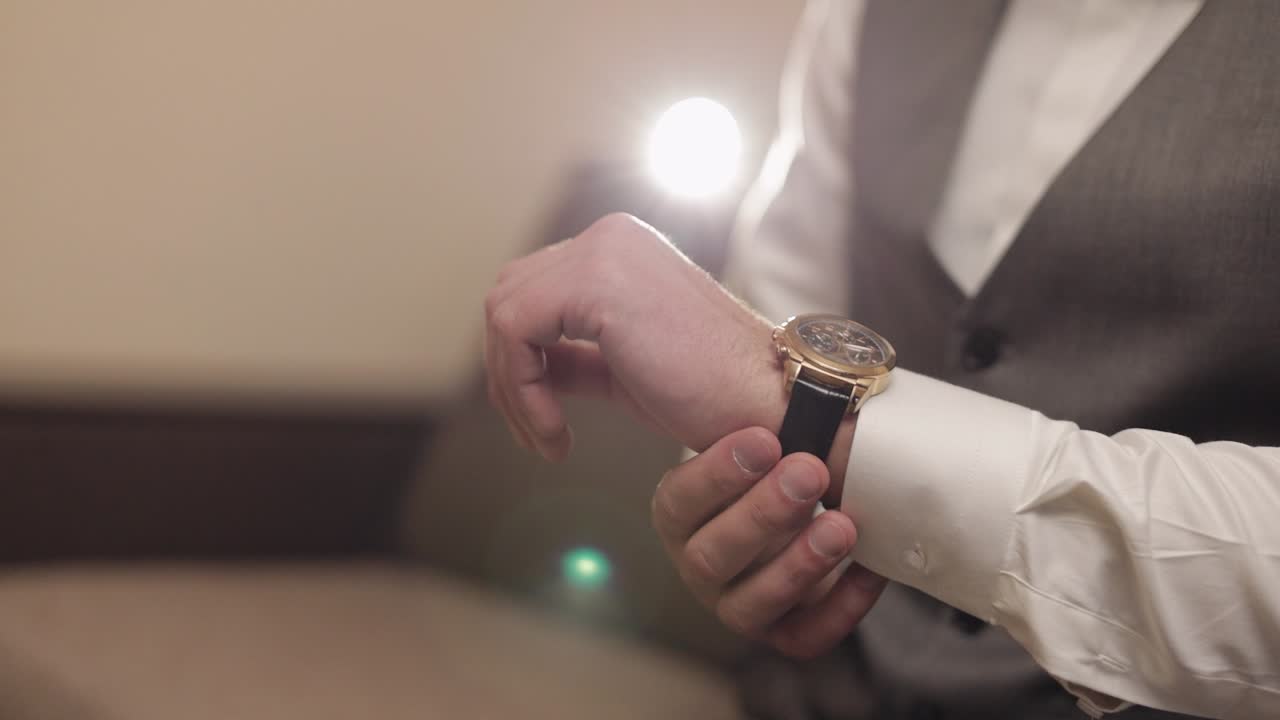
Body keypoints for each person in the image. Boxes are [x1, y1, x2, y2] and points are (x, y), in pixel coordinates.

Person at [483, 1, 1280, 718]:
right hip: (823, 686)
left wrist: (797, 413)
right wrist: (757, 523)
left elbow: (754, 374)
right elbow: (788, 306)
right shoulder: (862, 15)